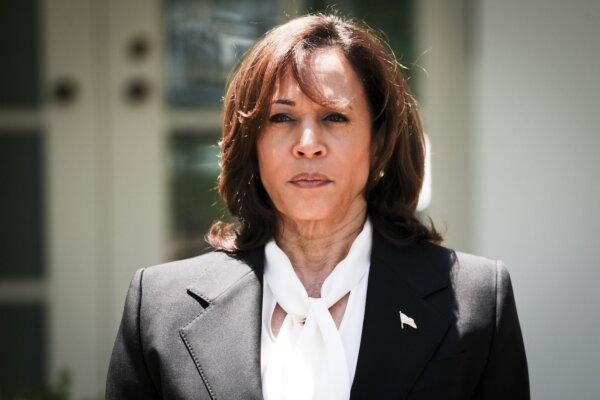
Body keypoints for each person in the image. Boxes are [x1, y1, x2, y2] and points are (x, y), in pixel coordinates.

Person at [106, 12, 530, 400]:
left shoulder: (478, 301)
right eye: (282, 118)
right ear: (252, 143)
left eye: (334, 117)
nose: (308, 145)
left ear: (378, 141)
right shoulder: (158, 307)